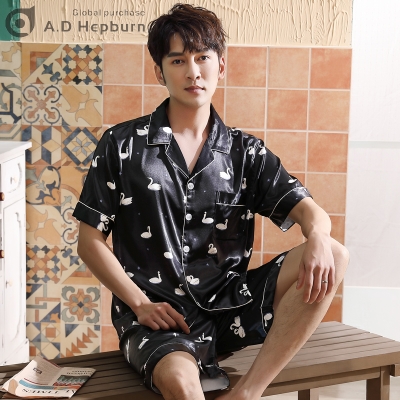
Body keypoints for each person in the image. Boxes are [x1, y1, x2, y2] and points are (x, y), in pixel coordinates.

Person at [74, 3, 349, 400]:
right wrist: (140, 304)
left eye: (202, 57)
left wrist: (319, 237)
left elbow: (311, 212)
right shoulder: (122, 145)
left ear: (221, 66)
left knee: (335, 254)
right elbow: (89, 241)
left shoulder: (244, 152)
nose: (193, 71)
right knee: (183, 386)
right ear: (160, 72)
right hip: (159, 318)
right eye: (178, 60)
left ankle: (248, 393)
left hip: (231, 308)